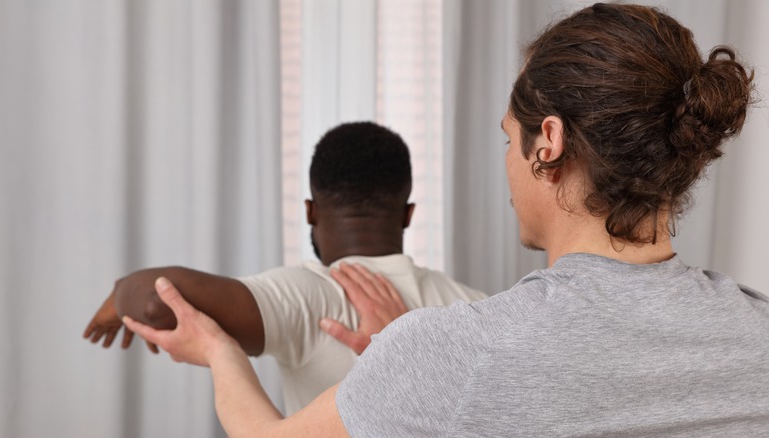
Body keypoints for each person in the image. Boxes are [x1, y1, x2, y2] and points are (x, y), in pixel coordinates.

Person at [122, 3, 769, 436]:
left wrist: (216, 348)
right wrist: (412, 363)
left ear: (547, 143)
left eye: (505, 137)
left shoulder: (463, 350)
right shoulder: (757, 330)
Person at [83, 121, 486, 414]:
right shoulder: (476, 307)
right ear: (408, 214)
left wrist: (121, 291)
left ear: (310, 211)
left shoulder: (305, 294)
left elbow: (155, 301)